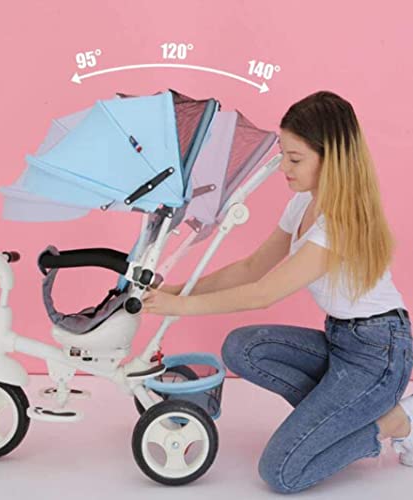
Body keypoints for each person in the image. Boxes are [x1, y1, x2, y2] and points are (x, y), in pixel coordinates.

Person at [141, 90, 413, 494]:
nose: (283, 167)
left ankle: (398, 421)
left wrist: (180, 306)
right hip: (340, 340)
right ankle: (341, 417)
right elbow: (251, 268)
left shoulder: (340, 224)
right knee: (242, 347)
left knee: (282, 472)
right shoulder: (303, 205)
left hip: (378, 353)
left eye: (295, 159)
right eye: (284, 155)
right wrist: (176, 290)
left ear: (332, 159)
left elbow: (263, 293)